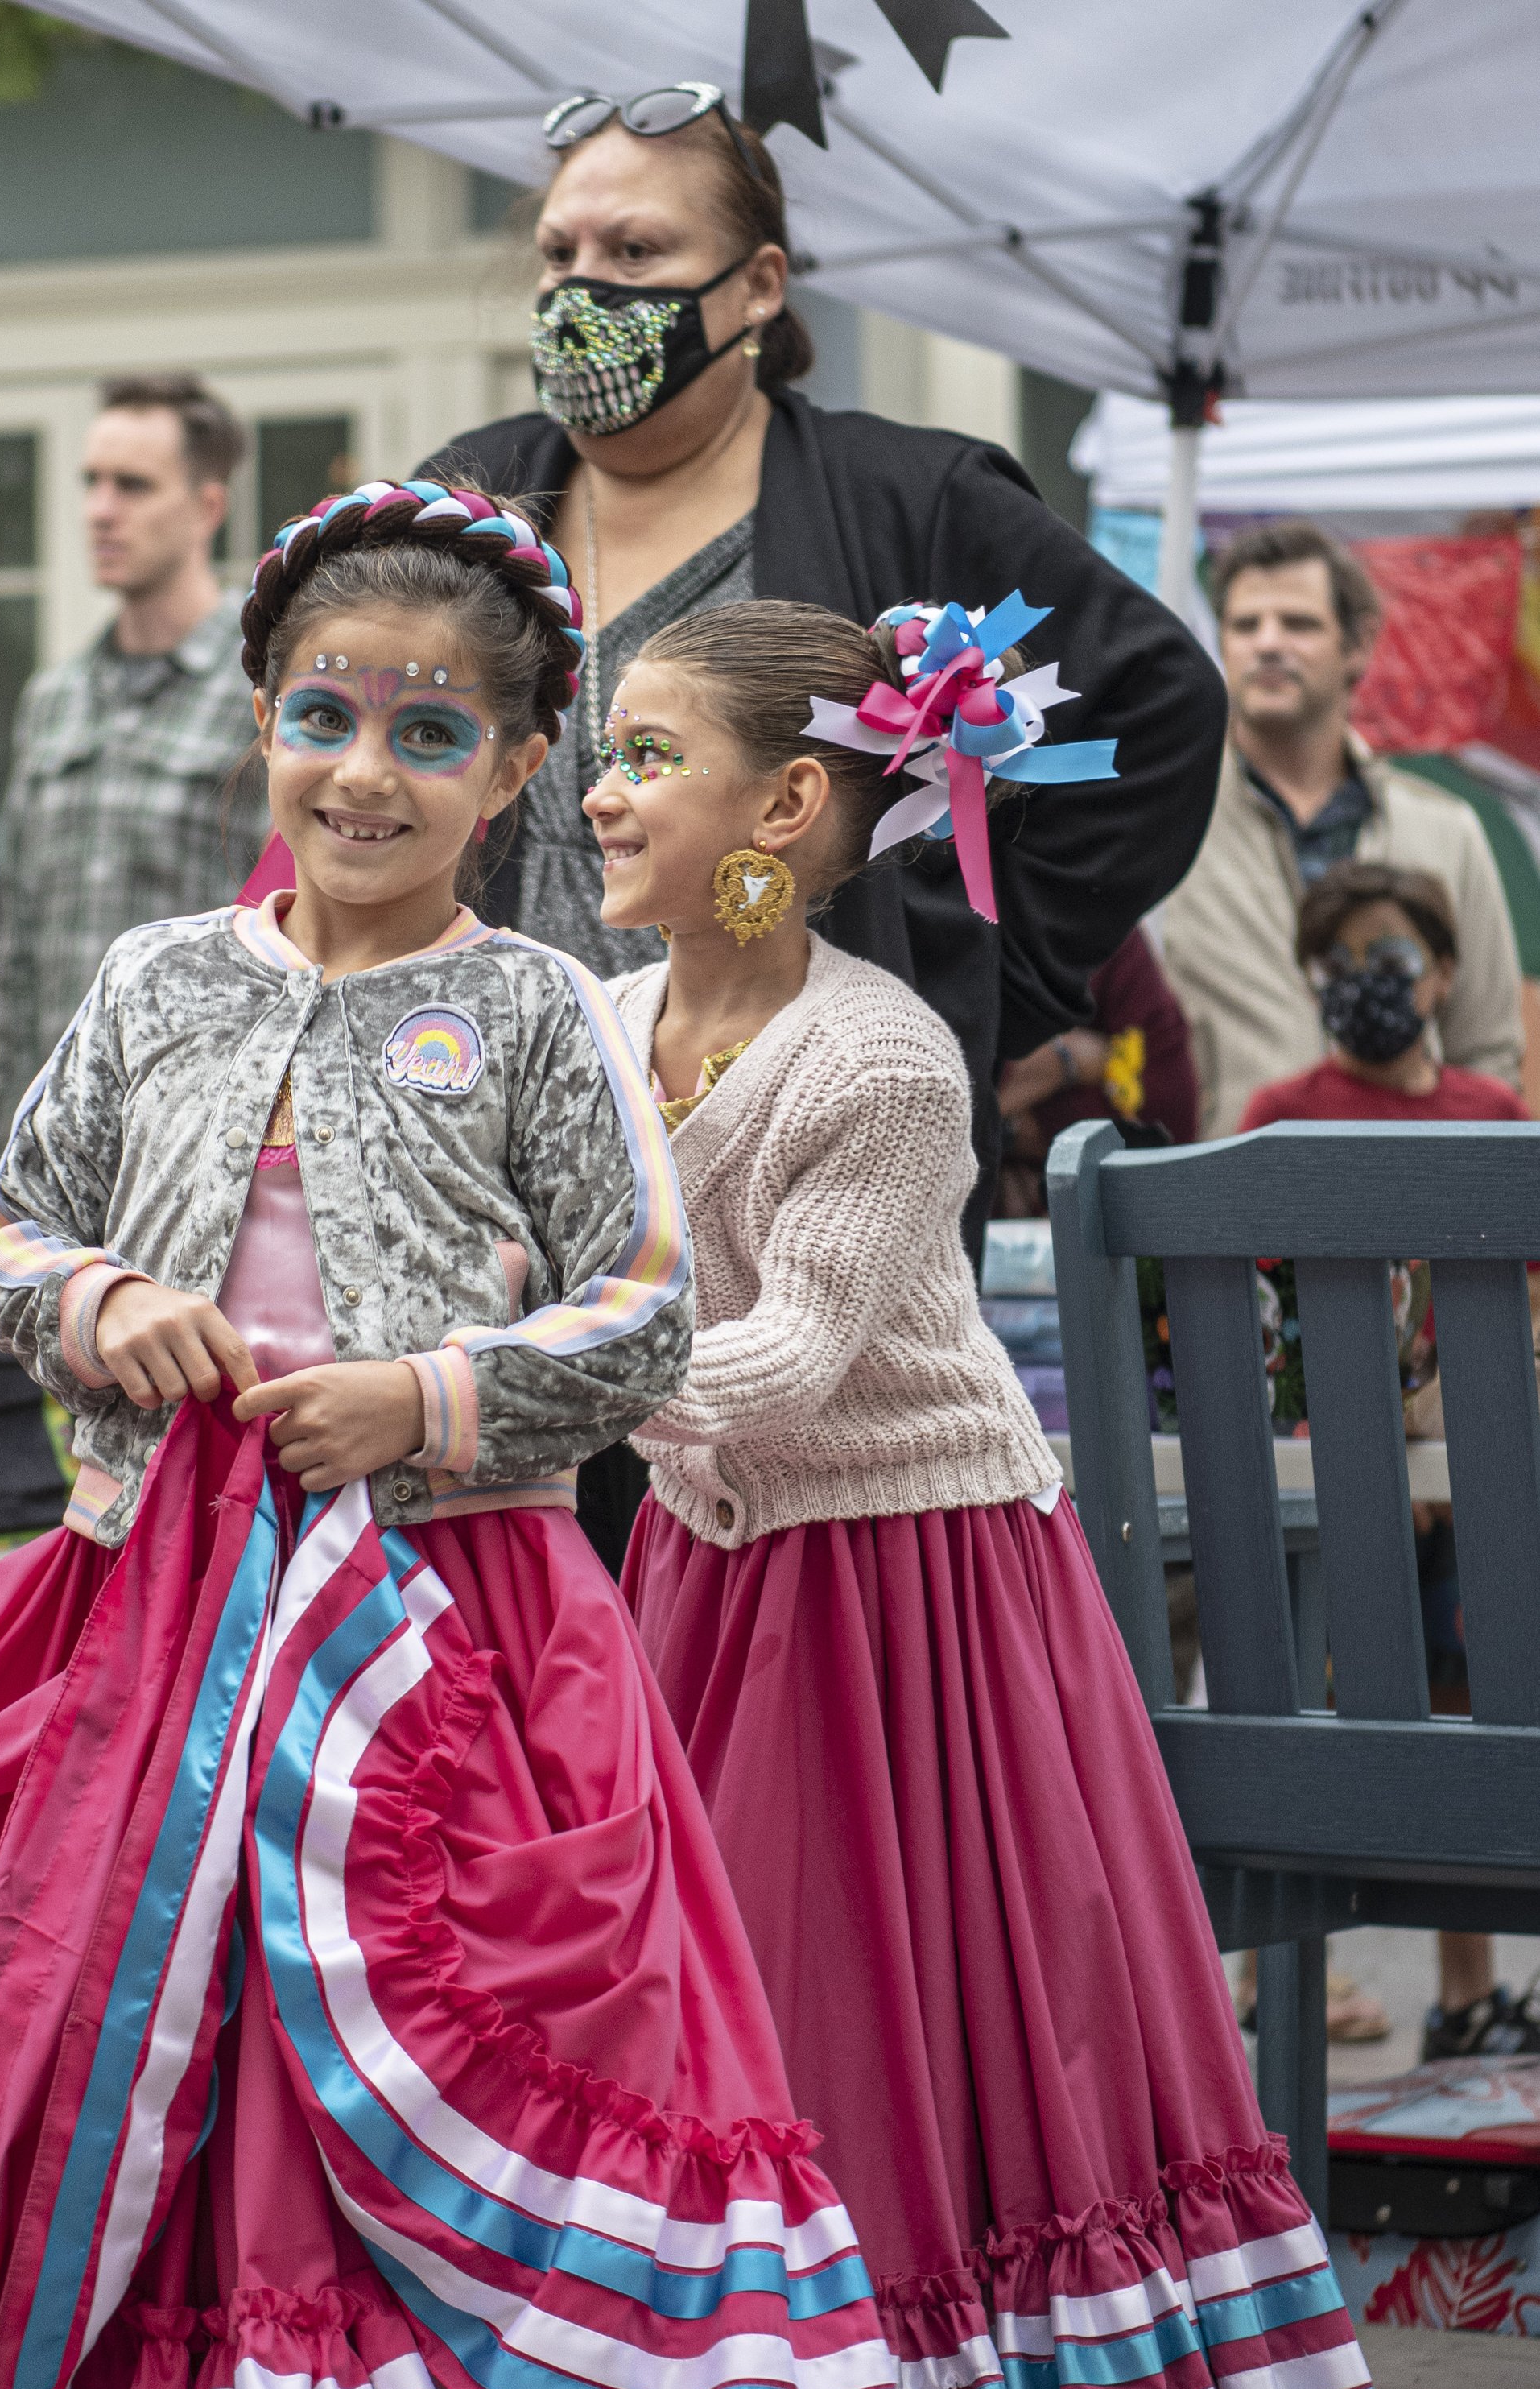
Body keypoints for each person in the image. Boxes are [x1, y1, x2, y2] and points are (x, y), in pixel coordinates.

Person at [0, 481, 912, 2389]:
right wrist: (96, 1304)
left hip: (448, 1618)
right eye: (320, 717)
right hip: (162, 1605)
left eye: (428, 734)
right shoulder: (153, 982)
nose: (362, 773)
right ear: (259, 734)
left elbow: (639, 1308)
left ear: (513, 775)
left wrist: (429, 1394)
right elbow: (13, 1225)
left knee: (402, 2067)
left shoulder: (528, 1010)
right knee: (199, 2094)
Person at [588, 595, 1395, 2389]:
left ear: (781, 800)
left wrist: (495, 1378)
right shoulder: (596, 1023)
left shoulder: (878, 1053)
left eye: (644, 756)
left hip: (915, 1578)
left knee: (884, 2010)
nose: (601, 789)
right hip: (705, 1557)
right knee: (708, 1999)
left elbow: (779, 1367)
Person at [418, 86, 1222, 1563]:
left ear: (759, 288)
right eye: (558, 253)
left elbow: (1161, 713)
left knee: (756, 1624)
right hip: (507, 1176)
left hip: (795, 1191)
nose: (585, 293)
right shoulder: (475, 493)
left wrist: (978, 970)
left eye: (639, 255)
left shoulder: (909, 497)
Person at [1239, 858, 1540, 2065]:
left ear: (1448, 974)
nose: (1367, 985)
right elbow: (1259, 1326)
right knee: (1312, 1700)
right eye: (1342, 964)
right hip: (1327, 1471)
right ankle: (1274, 1978)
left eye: (1393, 961)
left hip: (1477, 1465)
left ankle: (1466, 1990)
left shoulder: (1491, 1115)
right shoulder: (1278, 1117)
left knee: (1470, 1698)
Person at [1159, 520, 1525, 1143]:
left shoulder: (1445, 829)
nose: (1268, 644)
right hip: (1227, 1202)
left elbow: (1487, 1048)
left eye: (1298, 624)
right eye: (1246, 625)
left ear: (1356, 648)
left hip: (1414, 1206)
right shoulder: (1165, 824)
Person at [0, 371, 268, 1143]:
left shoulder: (266, 699)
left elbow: (302, 931)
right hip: (51, 1135)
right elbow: (16, 941)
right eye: (93, 483)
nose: (101, 510)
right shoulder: (55, 698)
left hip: (199, 1134)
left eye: (133, 486)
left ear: (208, 506)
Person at [992, 925, 1199, 1216]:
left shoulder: (1105, 927)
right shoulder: (951, 917)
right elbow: (955, 1093)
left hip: (1088, 1222)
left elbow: (1168, 1126)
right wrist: (1068, 1059)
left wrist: (1006, 1129)